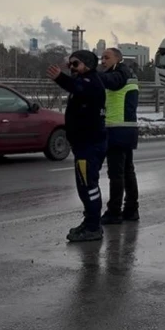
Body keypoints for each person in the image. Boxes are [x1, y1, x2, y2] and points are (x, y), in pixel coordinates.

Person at [47, 50, 108, 242]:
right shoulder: (84, 82)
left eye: (75, 64)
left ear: (87, 65)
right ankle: (90, 222)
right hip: (83, 144)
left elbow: (76, 86)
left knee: (88, 186)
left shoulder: (91, 82)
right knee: (85, 185)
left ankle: (93, 227)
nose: (71, 68)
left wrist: (59, 77)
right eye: (69, 64)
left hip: (89, 145)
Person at [98, 48, 140, 224]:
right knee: (127, 172)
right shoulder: (125, 73)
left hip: (117, 130)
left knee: (116, 174)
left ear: (118, 59)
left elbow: (111, 82)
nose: (103, 61)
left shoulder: (119, 74)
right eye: (101, 58)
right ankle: (131, 210)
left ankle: (114, 212)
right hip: (125, 129)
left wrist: (92, 73)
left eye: (106, 57)